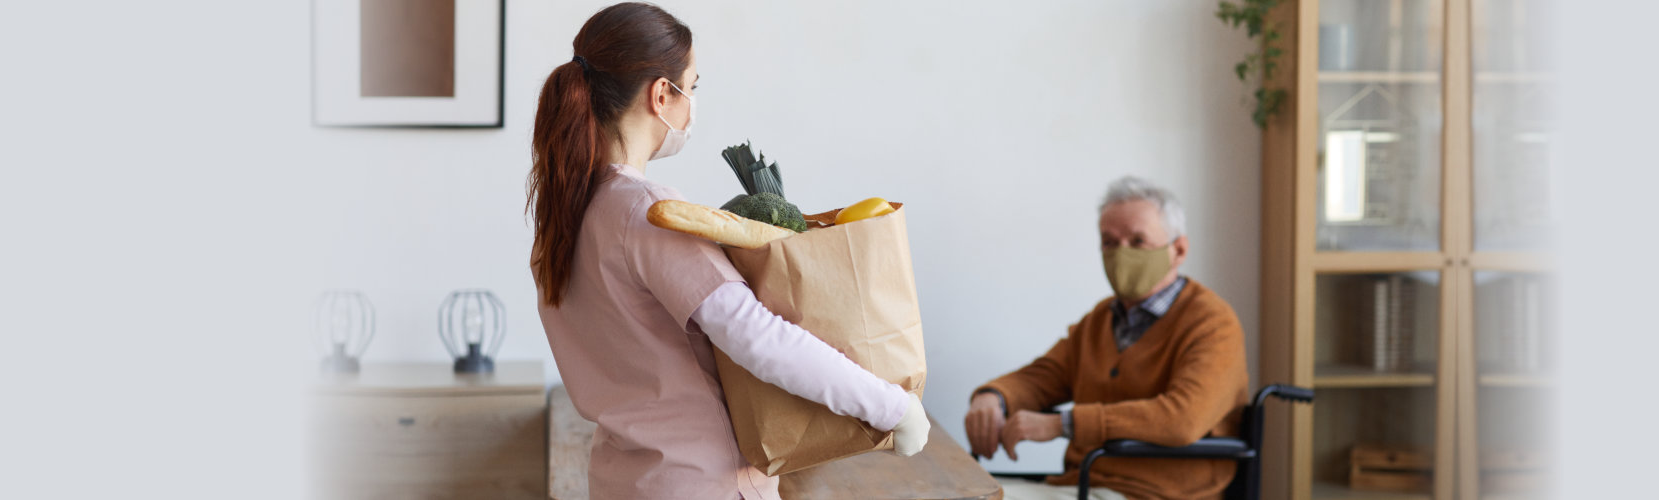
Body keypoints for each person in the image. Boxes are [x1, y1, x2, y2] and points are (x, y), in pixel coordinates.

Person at [525, 4, 928, 499]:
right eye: (691, 87)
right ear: (661, 95)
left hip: (620, 482)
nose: (692, 102)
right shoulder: (647, 213)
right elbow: (758, 338)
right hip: (700, 483)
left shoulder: (564, 217)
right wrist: (893, 408)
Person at [966, 177, 1250, 500]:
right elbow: (1044, 376)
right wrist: (993, 396)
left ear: (1179, 249)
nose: (1121, 254)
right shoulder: (1101, 319)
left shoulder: (1213, 323)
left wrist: (1063, 424)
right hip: (1082, 485)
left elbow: (1182, 418)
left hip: (1154, 493)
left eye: (1138, 241)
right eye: (1109, 243)